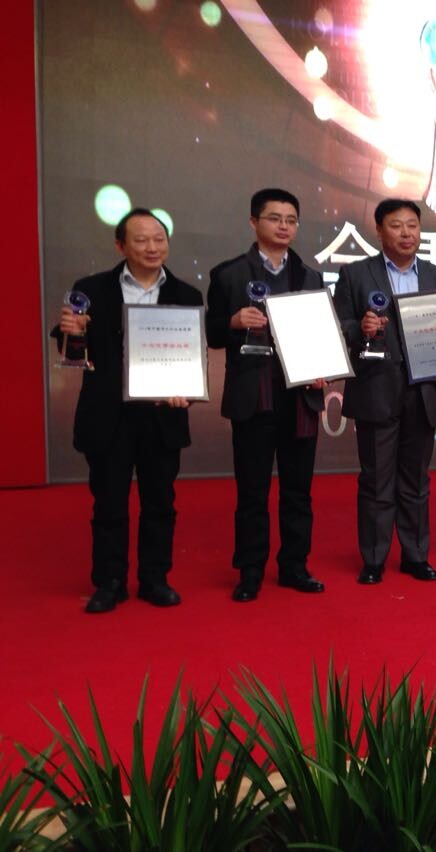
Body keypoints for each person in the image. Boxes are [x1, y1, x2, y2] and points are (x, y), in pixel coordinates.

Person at [52, 209, 203, 613]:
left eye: (159, 239)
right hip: (108, 416)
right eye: (141, 240)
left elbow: (193, 356)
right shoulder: (90, 289)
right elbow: (71, 354)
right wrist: (71, 333)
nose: (152, 247)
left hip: (162, 416)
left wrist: (187, 393)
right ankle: (110, 582)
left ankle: (155, 579)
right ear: (121, 246)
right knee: (108, 503)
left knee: (160, 502)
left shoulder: (187, 295)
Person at [206, 188, 327, 603]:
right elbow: (211, 334)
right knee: (252, 491)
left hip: (299, 398)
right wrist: (233, 320)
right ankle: (250, 571)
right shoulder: (228, 274)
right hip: (253, 397)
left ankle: (295, 566)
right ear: (253, 222)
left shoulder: (311, 276)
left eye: (291, 220)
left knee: (298, 491)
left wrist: (323, 369)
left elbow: (320, 334)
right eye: (275, 218)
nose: (284, 226)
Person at [333, 199, 436, 584]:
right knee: (376, 479)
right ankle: (374, 558)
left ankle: (415, 555)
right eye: (396, 225)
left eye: (412, 226)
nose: (406, 234)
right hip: (376, 389)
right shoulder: (356, 274)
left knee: (416, 481)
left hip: (424, 392)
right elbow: (339, 325)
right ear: (379, 230)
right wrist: (360, 328)